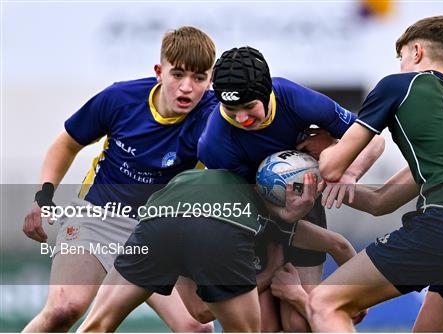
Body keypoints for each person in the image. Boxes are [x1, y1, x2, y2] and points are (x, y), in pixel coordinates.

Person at [307, 16, 443, 332]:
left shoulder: (399, 85)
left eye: (401, 56)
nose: (401, 64)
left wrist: (314, 154)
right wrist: (322, 187)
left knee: (325, 301)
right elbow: (381, 201)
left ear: (415, 51)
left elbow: (332, 165)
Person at [22, 26, 218, 332]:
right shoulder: (120, 99)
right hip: (97, 219)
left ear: (211, 80)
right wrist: (42, 196)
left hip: (159, 230)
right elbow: (67, 144)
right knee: (63, 309)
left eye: (198, 78)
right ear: (159, 71)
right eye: (177, 74)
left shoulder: (215, 115)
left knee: (197, 326)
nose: (186, 87)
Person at [197, 46, 384, 331]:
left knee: (299, 322)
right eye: (231, 110)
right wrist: (285, 215)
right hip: (253, 221)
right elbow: (242, 211)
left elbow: (373, 140)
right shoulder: (215, 143)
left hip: (305, 207)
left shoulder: (295, 100)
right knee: (260, 324)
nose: (242, 118)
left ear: (266, 92)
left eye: (249, 107)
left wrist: (348, 170)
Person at [77, 169, 322, 332]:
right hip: (216, 224)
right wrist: (272, 276)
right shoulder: (264, 212)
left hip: (159, 215)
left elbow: (201, 313)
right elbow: (338, 244)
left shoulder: (206, 170)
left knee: (97, 324)